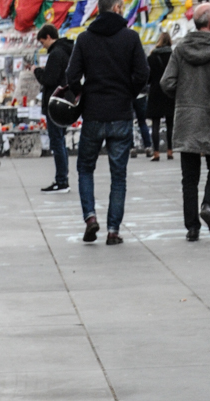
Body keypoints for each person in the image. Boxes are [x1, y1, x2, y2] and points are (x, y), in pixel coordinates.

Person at [65, 0, 148, 244]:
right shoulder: (130, 38)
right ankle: (113, 231)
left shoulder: (84, 38)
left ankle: (90, 217)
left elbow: (72, 76)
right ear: (117, 8)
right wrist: (128, 93)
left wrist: (83, 94)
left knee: (85, 168)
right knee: (118, 175)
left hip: (93, 113)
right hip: (121, 113)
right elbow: (143, 74)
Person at [159, 3, 210, 241]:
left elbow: (166, 83)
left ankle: (192, 227)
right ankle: (209, 206)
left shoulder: (181, 49)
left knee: (189, 177)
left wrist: (185, 98)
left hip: (187, 119)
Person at [35, 24, 73, 192]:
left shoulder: (56, 54)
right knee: (60, 141)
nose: (43, 46)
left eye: (43, 42)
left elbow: (49, 80)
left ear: (49, 37)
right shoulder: (66, 51)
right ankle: (62, 178)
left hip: (55, 104)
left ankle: (61, 181)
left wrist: (37, 71)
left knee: (57, 142)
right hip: (65, 102)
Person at [146, 32, 174, 161]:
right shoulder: (173, 56)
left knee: (155, 124)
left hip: (156, 92)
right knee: (170, 124)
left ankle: (156, 152)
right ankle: (170, 151)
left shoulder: (151, 57)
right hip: (169, 91)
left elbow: (148, 78)